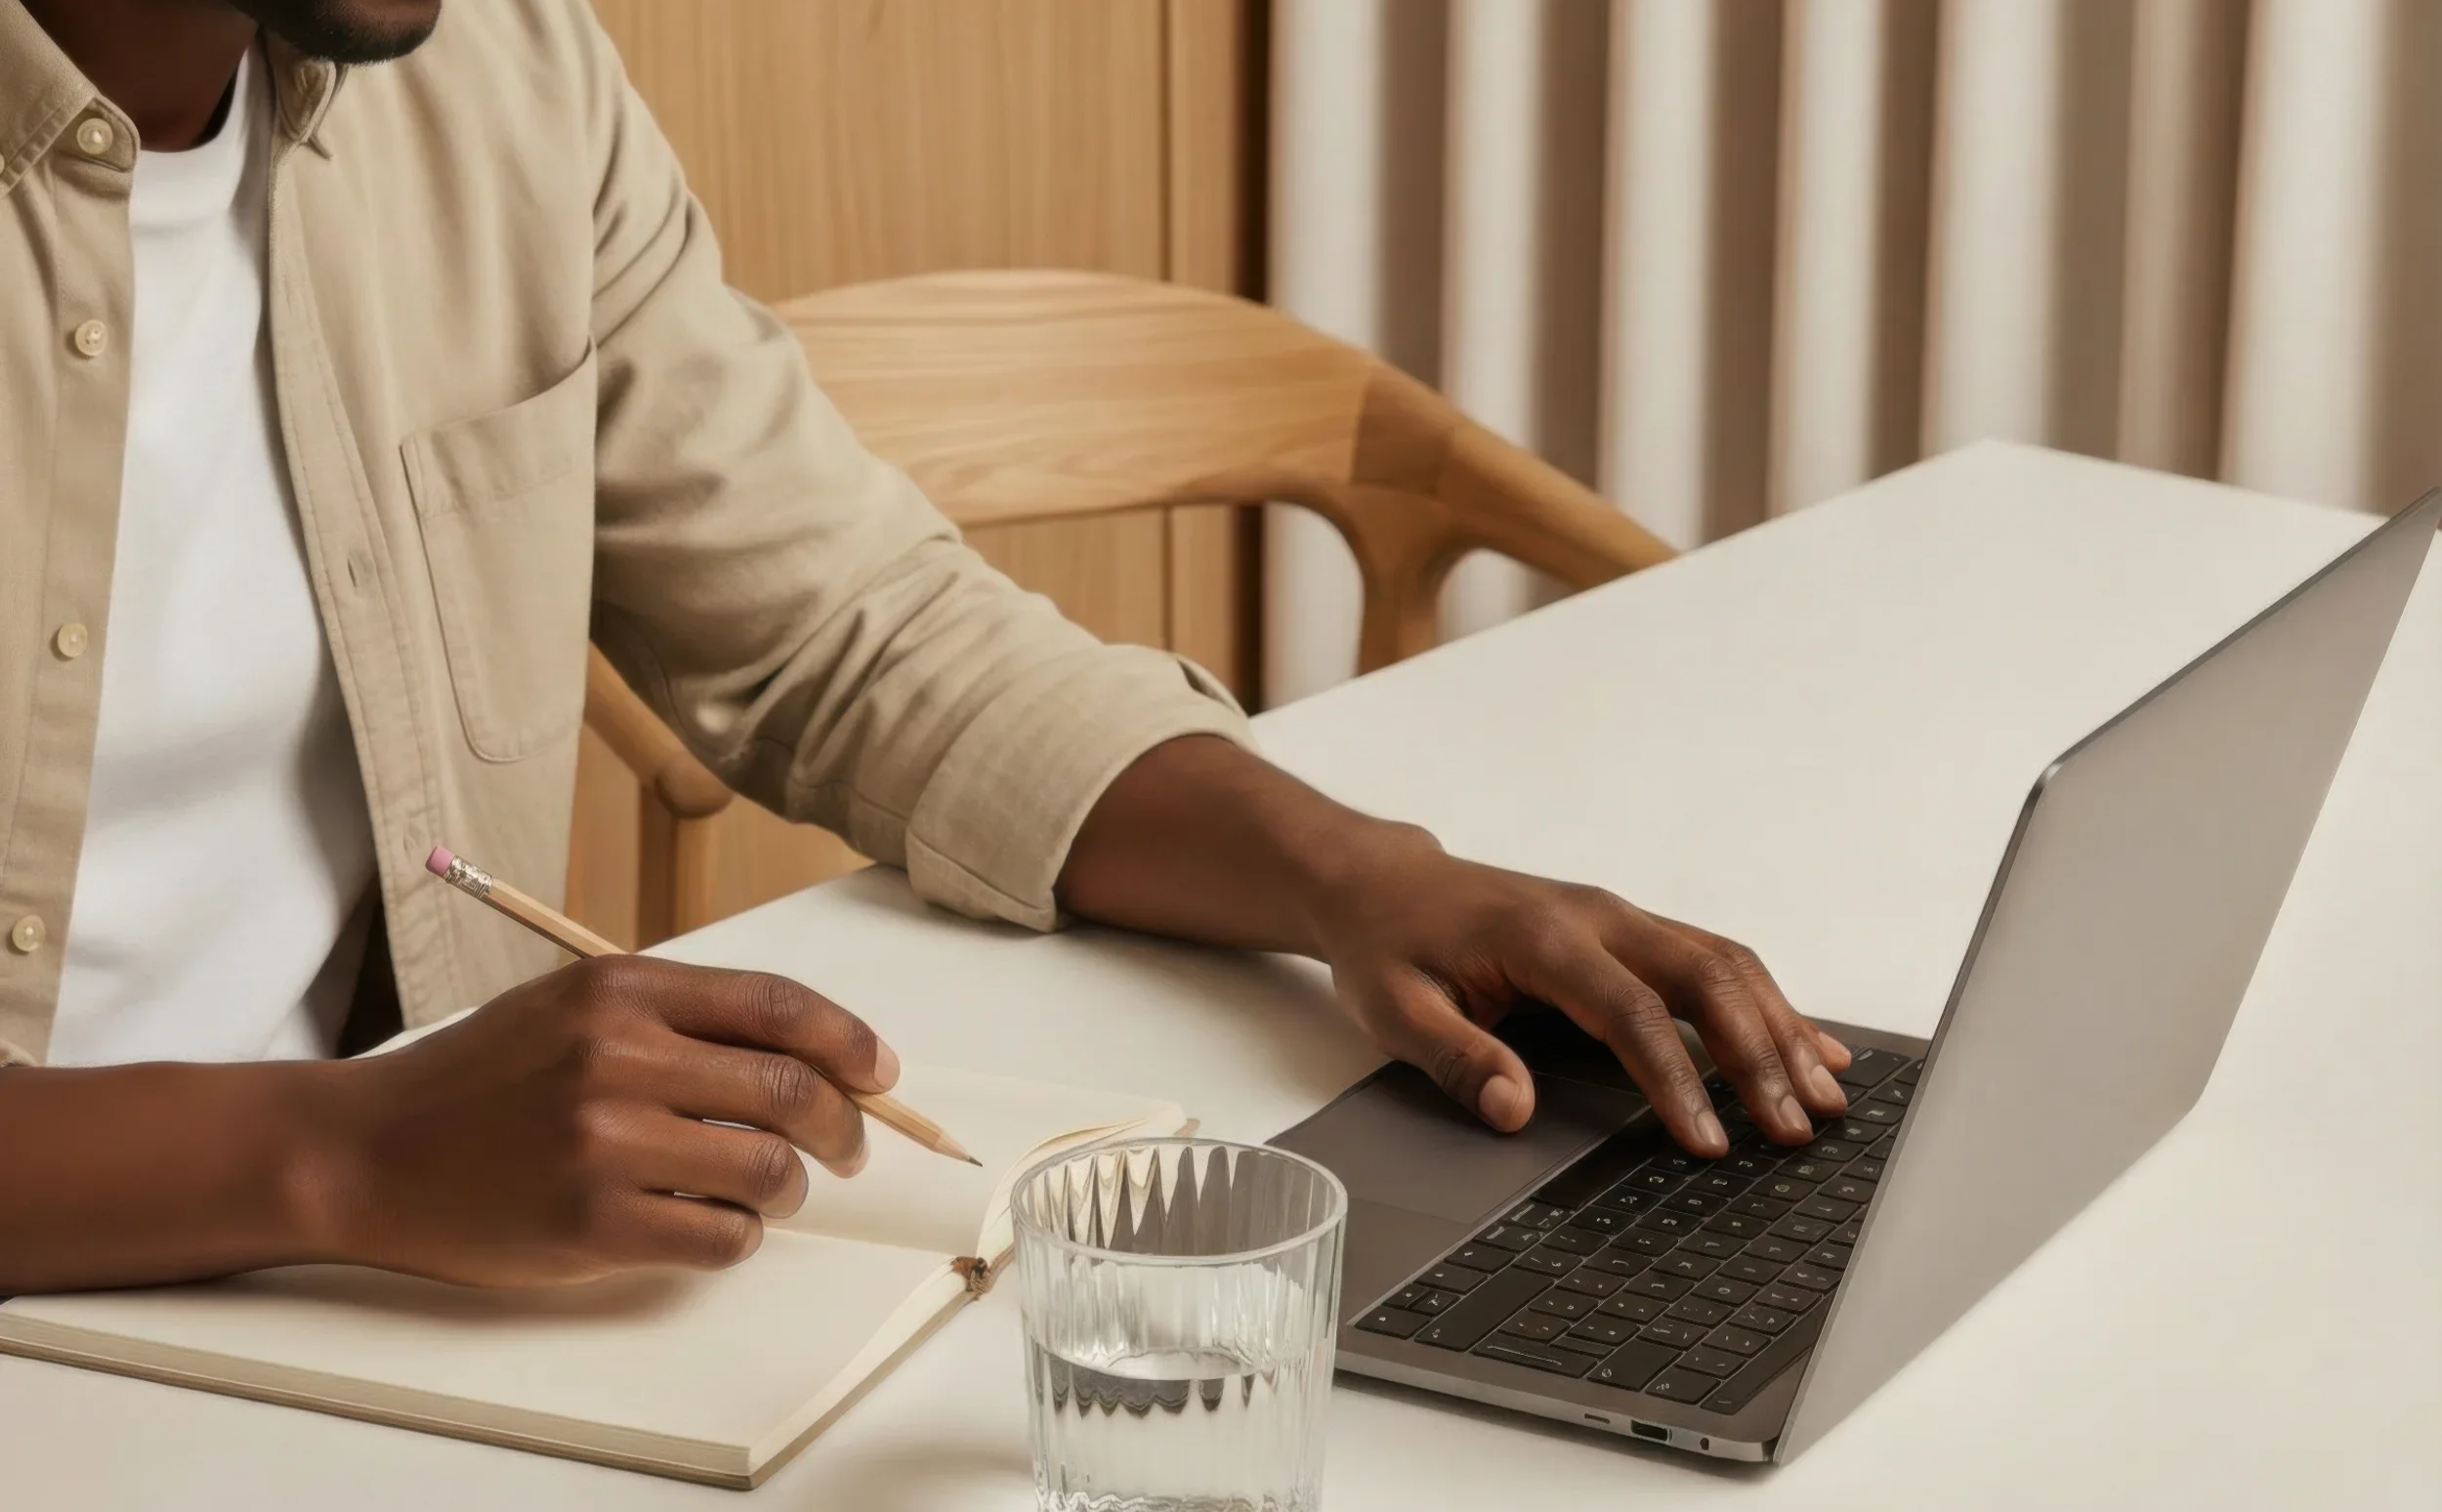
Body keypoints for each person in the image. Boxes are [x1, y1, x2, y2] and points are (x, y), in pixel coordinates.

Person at [0, 0, 1852, 1295]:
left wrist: (1365, 875)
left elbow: (848, 626)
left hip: (363, 1310)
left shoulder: (501, 76)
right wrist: (343, 1156)